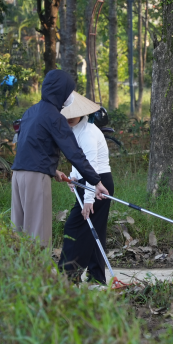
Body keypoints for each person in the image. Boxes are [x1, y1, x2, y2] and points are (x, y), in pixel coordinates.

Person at [11, 70, 109, 247]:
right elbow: (74, 153)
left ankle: (17, 273)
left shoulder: (30, 112)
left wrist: (52, 169)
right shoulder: (55, 117)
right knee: (37, 235)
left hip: (17, 175)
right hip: (35, 179)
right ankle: (39, 274)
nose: (70, 96)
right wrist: (96, 181)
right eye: (69, 91)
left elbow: (28, 146)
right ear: (62, 93)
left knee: (18, 232)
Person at [59, 92, 114, 284]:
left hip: (99, 185)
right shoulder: (74, 130)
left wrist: (89, 199)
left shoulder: (89, 132)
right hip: (87, 182)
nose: (67, 119)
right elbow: (78, 161)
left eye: (70, 115)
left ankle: (69, 274)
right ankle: (97, 276)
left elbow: (91, 167)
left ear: (80, 113)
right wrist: (73, 177)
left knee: (75, 228)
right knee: (94, 231)